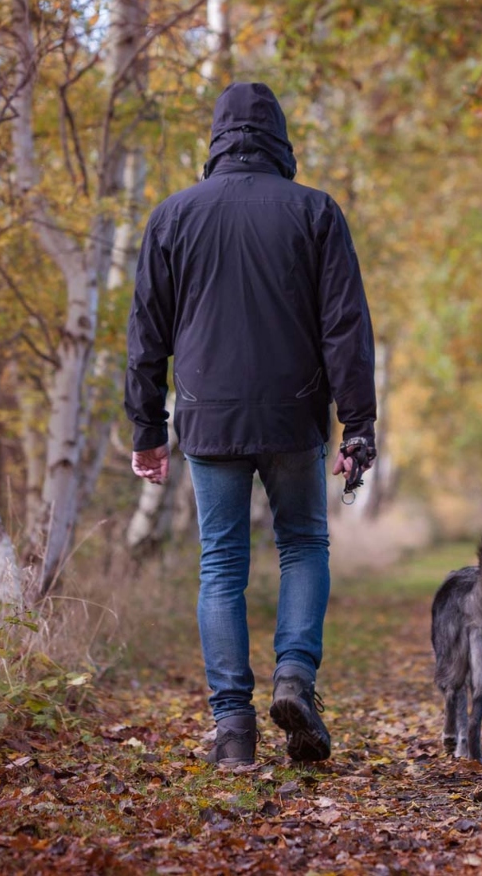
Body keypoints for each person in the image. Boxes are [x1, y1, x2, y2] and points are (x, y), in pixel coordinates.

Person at [124, 82, 376, 766]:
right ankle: (294, 676)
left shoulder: (173, 217)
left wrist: (148, 426)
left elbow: (146, 332)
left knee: (221, 566)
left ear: (216, 137)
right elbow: (345, 327)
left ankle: (233, 729)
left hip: (208, 418)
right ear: (280, 137)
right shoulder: (315, 212)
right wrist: (358, 424)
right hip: (294, 413)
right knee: (301, 546)